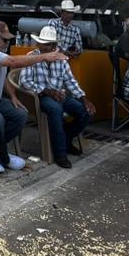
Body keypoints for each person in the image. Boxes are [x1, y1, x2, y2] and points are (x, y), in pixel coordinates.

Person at [0, 21, 68, 173]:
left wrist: (12, 97)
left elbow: (2, 76)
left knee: (21, 114)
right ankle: (3, 157)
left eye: (9, 39)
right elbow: (13, 62)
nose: (8, 42)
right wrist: (45, 57)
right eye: (4, 39)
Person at [19, 25, 96, 168]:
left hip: (59, 95)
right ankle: (60, 154)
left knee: (86, 112)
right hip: (39, 96)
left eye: (48, 44)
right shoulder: (31, 57)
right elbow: (24, 81)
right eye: (42, 43)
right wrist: (47, 91)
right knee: (55, 110)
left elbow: (70, 81)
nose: (44, 47)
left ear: (54, 45)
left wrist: (84, 98)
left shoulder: (61, 59)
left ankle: (65, 139)